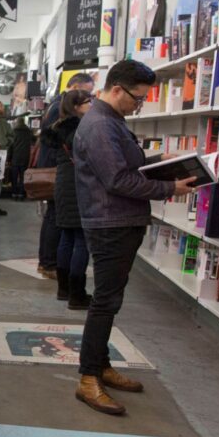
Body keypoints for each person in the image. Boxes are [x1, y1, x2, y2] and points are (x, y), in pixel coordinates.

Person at [72, 60, 195, 415]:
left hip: (118, 220)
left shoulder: (111, 122)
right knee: (105, 302)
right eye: (136, 99)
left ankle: (101, 364)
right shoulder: (99, 126)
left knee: (111, 300)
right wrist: (170, 186)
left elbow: (124, 167)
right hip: (110, 223)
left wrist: (159, 160)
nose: (138, 105)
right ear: (116, 90)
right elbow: (118, 180)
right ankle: (88, 377)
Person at [36, 72, 96, 279]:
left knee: (55, 217)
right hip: (60, 172)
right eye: (87, 95)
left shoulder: (55, 107)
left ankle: (48, 263)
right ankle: (49, 264)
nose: (90, 100)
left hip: (58, 171)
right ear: (75, 88)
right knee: (56, 219)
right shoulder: (62, 114)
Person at [9, 117, 33, 200]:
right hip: (25, 157)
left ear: (16, 123)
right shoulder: (29, 132)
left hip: (15, 157)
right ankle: (21, 194)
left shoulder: (13, 132)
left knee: (14, 177)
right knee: (23, 177)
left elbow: (10, 146)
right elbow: (33, 142)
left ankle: (14, 193)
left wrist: (8, 158)